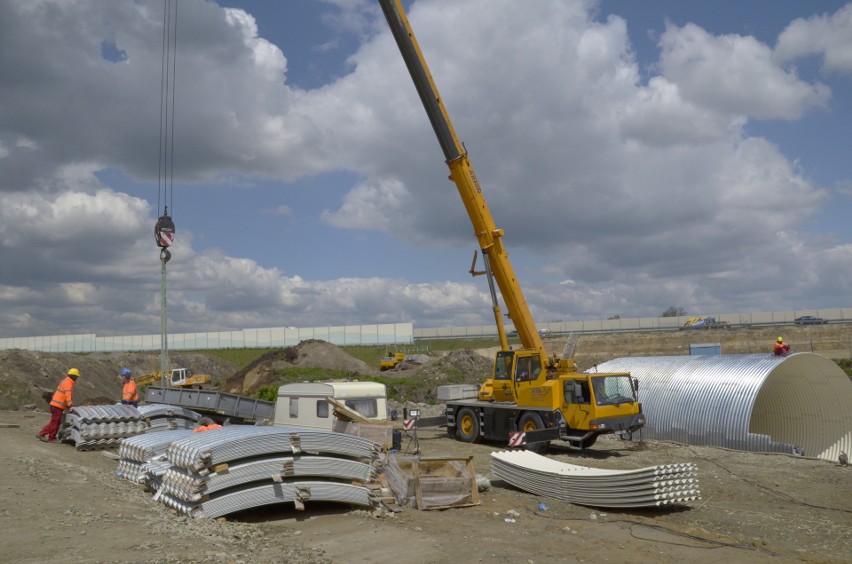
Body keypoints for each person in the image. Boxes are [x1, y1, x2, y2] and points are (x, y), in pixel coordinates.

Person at [37, 368, 80, 443]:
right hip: (57, 406)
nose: (77, 378)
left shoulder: (66, 381)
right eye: (76, 376)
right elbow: (67, 395)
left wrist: (66, 405)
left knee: (55, 422)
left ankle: (42, 434)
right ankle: (51, 438)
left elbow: (64, 395)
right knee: (55, 422)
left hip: (57, 406)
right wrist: (70, 404)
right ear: (73, 376)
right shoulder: (68, 383)